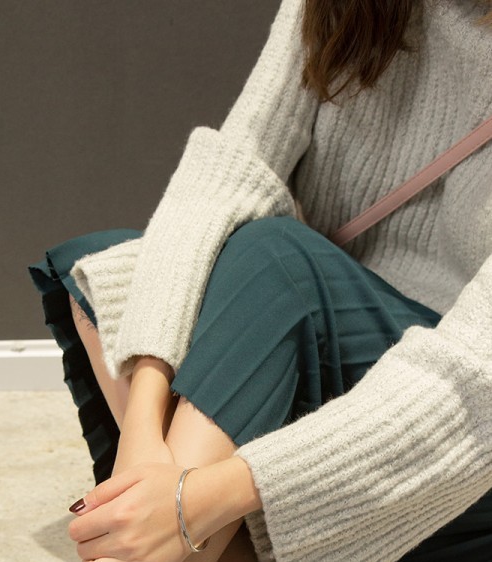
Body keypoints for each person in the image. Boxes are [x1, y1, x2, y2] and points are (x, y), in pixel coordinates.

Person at [29, 0, 492, 560]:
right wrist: (144, 433)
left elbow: (472, 379)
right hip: (335, 360)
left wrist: (195, 500)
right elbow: (228, 177)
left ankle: (180, 543)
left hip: (457, 443)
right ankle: (182, 538)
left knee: (277, 261)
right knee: (111, 269)